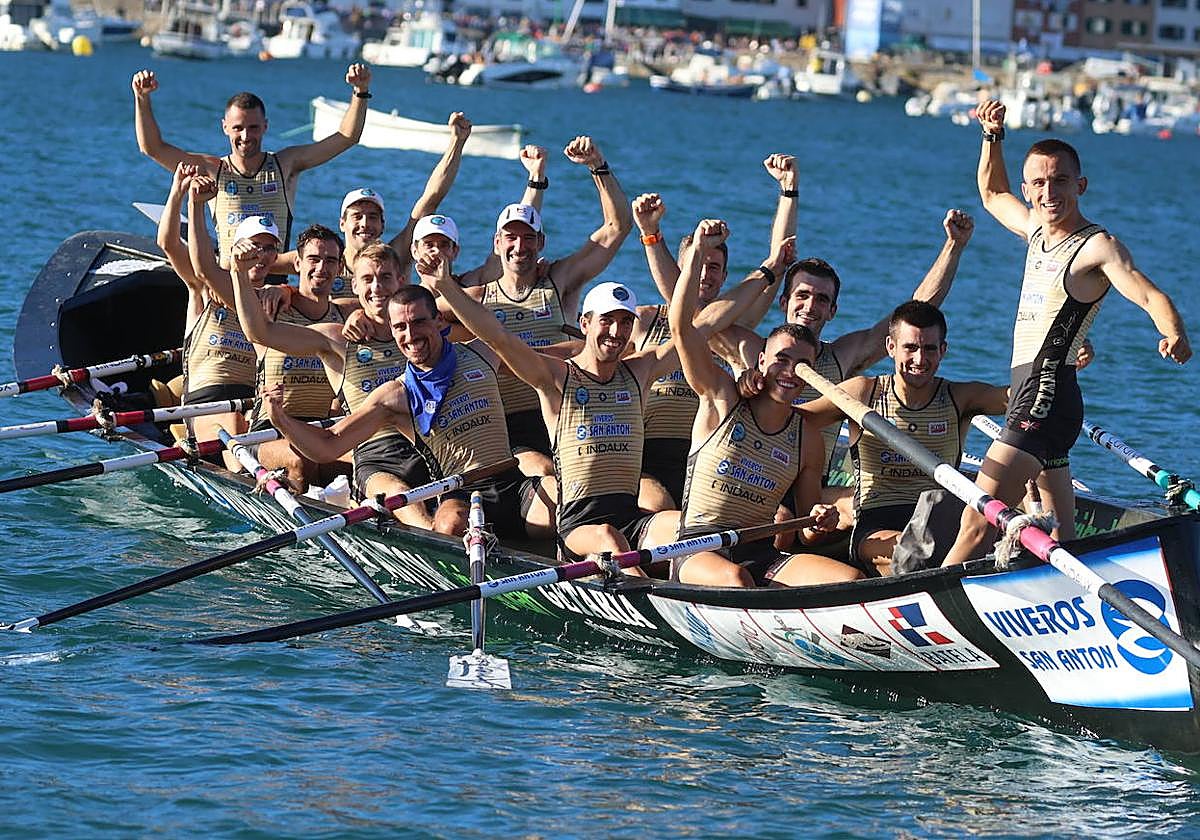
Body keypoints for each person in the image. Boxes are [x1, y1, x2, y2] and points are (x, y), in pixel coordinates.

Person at [941, 101, 1192, 566]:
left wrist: (1173, 331)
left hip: (1044, 397)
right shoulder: (1035, 230)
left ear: (1080, 185)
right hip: (1038, 395)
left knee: (978, 517)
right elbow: (992, 193)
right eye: (1038, 183)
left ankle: (931, 598)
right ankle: (1067, 592)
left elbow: (1147, 292)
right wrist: (992, 136)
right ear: (1028, 189)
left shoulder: (1098, 246)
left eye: (1059, 180)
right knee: (1062, 535)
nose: (1048, 191)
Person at [430, 258, 771, 564]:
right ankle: (646, 601)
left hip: (631, 520)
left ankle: (718, 591)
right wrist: (446, 286)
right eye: (607, 321)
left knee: (691, 530)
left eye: (625, 322)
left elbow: (703, 325)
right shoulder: (556, 378)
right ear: (585, 323)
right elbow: (498, 337)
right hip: (578, 528)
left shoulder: (639, 372)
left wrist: (764, 270)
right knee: (608, 537)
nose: (616, 332)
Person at [258, 280, 557, 541]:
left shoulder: (483, 352)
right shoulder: (395, 395)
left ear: (439, 321)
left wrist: (587, 358)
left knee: (562, 493)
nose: (410, 335)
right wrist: (281, 419)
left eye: (418, 322)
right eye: (400, 327)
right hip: (461, 494)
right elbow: (328, 445)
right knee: (451, 525)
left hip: (514, 485)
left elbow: (548, 363)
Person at [668, 219, 859, 588]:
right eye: (781, 360)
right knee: (737, 579)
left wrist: (823, 520)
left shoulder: (807, 438)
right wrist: (697, 254)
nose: (790, 371)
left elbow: (806, 531)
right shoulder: (722, 397)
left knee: (849, 579)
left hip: (760, 555)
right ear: (760, 361)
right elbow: (682, 328)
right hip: (698, 549)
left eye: (801, 365)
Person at [228, 237, 435, 528]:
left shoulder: (419, 336)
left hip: (429, 449)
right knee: (406, 500)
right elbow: (260, 332)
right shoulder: (336, 339)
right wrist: (239, 272)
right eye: (367, 279)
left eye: (385, 278)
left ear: (401, 281)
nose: (377, 288)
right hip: (376, 457)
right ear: (355, 286)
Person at [793, 301, 1008, 576]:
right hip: (876, 525)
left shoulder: (959, 397)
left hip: (938, 519)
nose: (920, 359)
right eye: (910, 348)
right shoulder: (863, 393)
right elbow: (793, 421)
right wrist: (754, 388)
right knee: (917, 554)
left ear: (943, 350)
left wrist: (1055, 364)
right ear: (891, 347)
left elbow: (1017, 398)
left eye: (930, 349)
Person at [630, 157, 796, 508]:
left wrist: (789, 190)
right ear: (685, 267)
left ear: (725, 277)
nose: (706, 274)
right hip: (646, 456)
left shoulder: (735, 327)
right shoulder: (642, 321)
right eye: (700, 263)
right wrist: (649, 233)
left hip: (711, 454)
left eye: (715, 267)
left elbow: (779, 261)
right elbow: (681, 305)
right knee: (661, 506)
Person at [471, 136, 633, 476]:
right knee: (546, 470)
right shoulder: (478, 296)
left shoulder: (559, 282)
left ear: (541, 242)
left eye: (529, 238)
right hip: (509, 425)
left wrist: (597, 166)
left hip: (568, 414)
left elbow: (618, 227)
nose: (520, 246)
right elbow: (417, 309)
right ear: (497, 244)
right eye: (511, 238)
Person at [131, 64, 371, 260]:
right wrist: (142, 98)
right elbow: (152, 148)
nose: (246, 136)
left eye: (253, 128)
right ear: (225, 127)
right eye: (238, 128)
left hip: (273, 286)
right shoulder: (213, 169)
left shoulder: (286, 164)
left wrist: (360, 91)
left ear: (265, 126)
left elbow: (346, 138)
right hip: (228, 283)